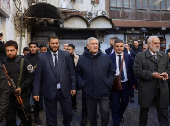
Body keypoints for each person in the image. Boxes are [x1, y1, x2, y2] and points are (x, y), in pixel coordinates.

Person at [33, 35, 76, 126]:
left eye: (56, 43)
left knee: (68, 113)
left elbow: (72, 73)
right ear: (49, 44)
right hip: (49, 91)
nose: (55, 45)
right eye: (52, 43)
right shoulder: (42, 57)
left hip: (64, 91)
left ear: (58, 43)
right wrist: (36, 92)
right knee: (51, 117)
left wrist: (73, 87)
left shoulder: (66, 55)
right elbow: (38, 76)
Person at [76, 37, 115, 126]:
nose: (95, 45)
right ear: (87, 46)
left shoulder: (106, 57)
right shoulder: (82, 58)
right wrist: (82, 84)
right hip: (89, 92)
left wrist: (108, 83)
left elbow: (111, 72)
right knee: (91, 115)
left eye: (96, 44)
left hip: (104, 91)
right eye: (92, 44)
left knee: (105, 113)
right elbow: (78, 73)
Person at [134, 36, 170, 126]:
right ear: (149, 44)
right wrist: (151, 75)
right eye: (155, 43)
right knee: (144, 114)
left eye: (159, 43)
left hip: (162, 90)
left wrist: (166, 73)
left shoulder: (164, 56)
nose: (158, 45)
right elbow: (137, 71)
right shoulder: (140, 56)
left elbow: (167, 68)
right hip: (147, 89)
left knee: (164, 114)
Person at [2, 40, 34, 126]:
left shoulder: (24, 61)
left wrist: (22, 87)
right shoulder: (3, 62)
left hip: (22, 96)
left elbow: (31, 76)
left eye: (12, 50)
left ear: (16, 50)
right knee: (10, 121)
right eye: (7, 50)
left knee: (26, 119)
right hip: (8, 97)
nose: (9, 53)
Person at [109, 39, 134, 126]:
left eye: (121, 46)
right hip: (114, 84)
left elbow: (131, 69)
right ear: (114, 47)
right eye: (117, 46)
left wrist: (133, 83)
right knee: (115, 103)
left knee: (125, 102)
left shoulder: (128, 56)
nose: (119, 48)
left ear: (123, 47)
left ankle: (119, 115)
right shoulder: (109, 57)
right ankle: (116, 121)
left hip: (125, 84)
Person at [25, 41, 42, 125]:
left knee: (37, 101)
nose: (32, 48)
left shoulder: (40, 57)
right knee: (26, 101)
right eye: (31, 47)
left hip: (37, 83)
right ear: (29, 48)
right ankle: (27, 117)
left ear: (37, 48)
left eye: (34, 47)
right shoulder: (25, 58)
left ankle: (37, 116)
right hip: (27, 82)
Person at [67, 44, 79, 112]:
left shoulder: (77, 57)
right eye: (67, 49)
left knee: (74, 93)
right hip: (67, 77)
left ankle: (74, 106)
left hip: (75, 77)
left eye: (69, 49)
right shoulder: (64, 57)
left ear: (73, 50)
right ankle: (69, 106)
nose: (68, 51)